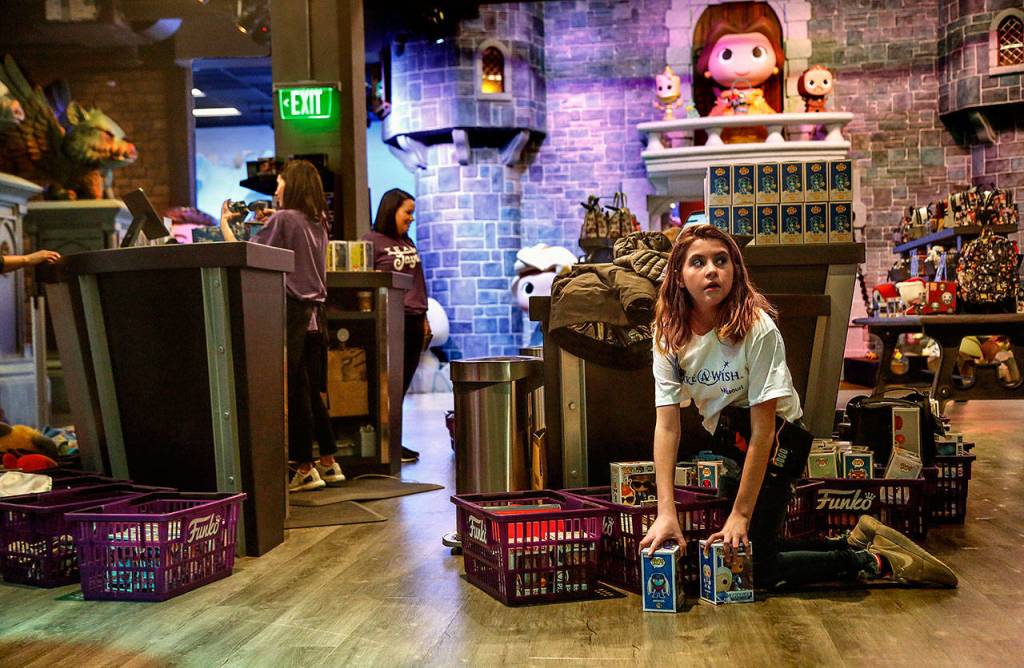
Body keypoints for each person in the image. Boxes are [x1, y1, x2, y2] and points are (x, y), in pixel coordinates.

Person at [639, 224, 957, 590]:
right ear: (679, 277)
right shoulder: (669, 333)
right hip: (731, 438)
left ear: (735, 271)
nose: (711, 270)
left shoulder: (756, 327)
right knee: (748, 546)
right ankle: (856, 539)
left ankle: (876, 561)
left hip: (778, 440)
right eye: (698, 262)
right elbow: (667, 427)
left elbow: (765, 431)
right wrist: (666, 512)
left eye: (721, 260)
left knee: (752, 566)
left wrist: (740, 514)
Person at [220, 160, 343, 492]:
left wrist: (225, 225)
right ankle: (328, 460)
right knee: (309, 390)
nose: (276, 190)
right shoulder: (318, 221)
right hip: (316, 315)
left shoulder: (285, 218)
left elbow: (246, 253)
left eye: (279, 183)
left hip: (292, 313)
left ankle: (303, 466)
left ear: (293, 185)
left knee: (295, 391)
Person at [364, 188, 430, 463]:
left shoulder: (408, 241)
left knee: (401, 385)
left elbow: (418, 280)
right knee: (387, 386)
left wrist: (425, 316)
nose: (411, 218)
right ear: (392, 211)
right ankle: (383, 445)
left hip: (414, 318)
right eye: (408, 212)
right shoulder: (371, 241)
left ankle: (394, 442)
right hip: (390, 319)